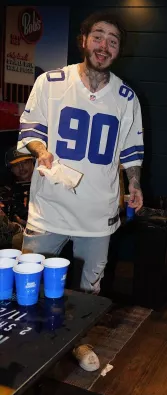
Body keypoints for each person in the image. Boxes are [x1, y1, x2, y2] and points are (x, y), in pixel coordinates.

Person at [17, 11, 144, 372]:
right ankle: (32, 339)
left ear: (119, 50)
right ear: (84, 40)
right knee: (32, 275)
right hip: (49, 206)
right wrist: (42, 152)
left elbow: (131, 150)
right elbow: (29, 130)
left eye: (113, 41)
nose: (104, 46)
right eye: (99, 36)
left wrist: (134, 184)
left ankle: (78, 340)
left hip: (97, 211)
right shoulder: (50, 81)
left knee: (90, 288)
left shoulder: (125, 96)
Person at [0, 147, 34, 249]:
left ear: (33, 161)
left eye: (24, 162)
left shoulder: (47, 184)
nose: (21, 168)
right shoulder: (6, 189)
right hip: (14, 233)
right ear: (10, 168)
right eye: (16, 165)